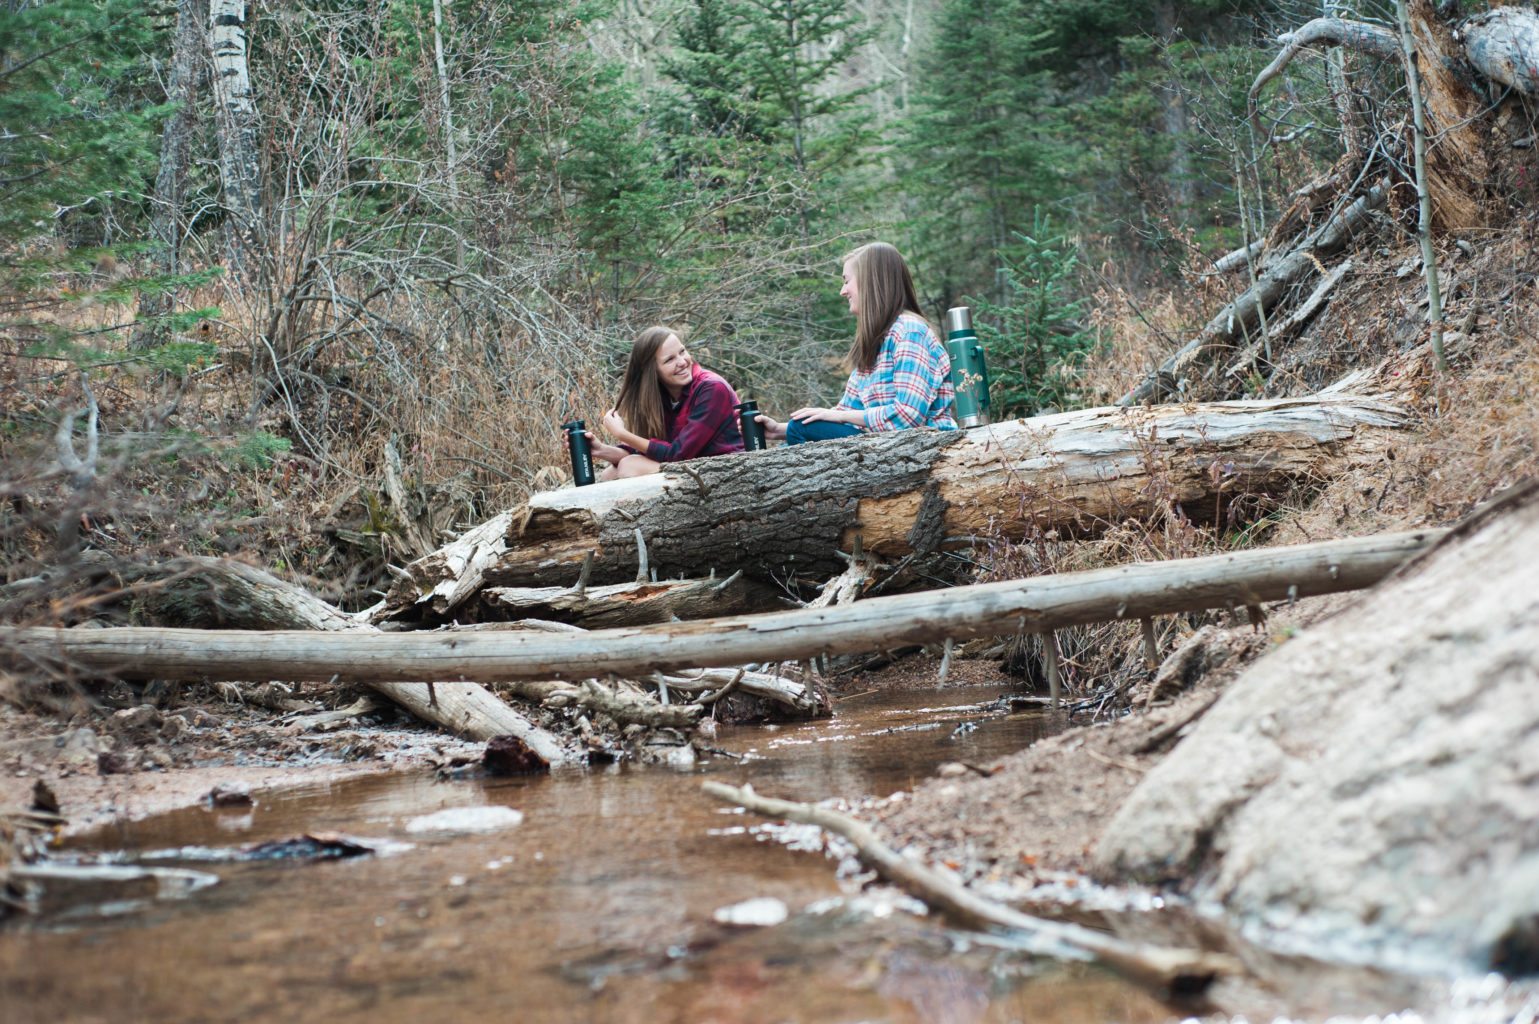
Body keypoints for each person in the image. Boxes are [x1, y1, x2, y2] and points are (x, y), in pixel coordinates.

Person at [758, 242, 957, 445]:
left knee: (800, 429)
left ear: (870, 281)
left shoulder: (910, 332)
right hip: (888, 446)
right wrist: (778, 430)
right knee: (794, 434)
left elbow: (907, 416)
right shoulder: (877, 341)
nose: (842, 291)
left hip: (925, 447)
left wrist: (839, 417)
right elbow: (846, 409)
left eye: (846, 281)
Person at [588, 326, 744, 479]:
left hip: (725, 472)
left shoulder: (712, 388)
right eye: (670, 359)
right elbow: (652, 450)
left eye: (682, 351)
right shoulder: (663, 396)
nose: (682, 362)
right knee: (609, 474)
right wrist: (601, 450)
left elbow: (679, 454)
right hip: (692, 467)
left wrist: (623, 434)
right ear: (652, 371)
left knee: (629, 467)